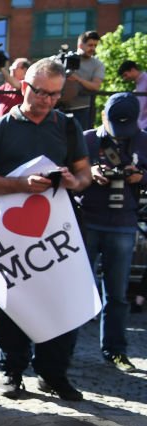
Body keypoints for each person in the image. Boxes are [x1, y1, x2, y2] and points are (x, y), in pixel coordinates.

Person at [0, 58, 92, 401]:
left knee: (61, 303)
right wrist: (21, 183)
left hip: (57, 233)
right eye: (41, 92)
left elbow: (85, 175)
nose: (47, 100)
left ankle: (53, 374)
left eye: (54, 94)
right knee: (10, 303)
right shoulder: (1, 128)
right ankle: (12, 371)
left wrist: (73, 181)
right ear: (25, 87)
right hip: (11, 234)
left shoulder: (67, 126)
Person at [77, 92, 146, 372]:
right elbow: (67, 172)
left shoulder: (143, 140)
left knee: (117, 294)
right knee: (76, 289)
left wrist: (141, 177)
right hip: (88, 220)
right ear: (103, 115)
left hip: (123, 223)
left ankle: (115, 351)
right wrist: (90, 172)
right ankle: (63, 351)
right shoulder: (88, 139)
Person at [58, 31, 104, 132]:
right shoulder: (64, 58)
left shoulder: (97, 64)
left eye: (95, 45)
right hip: (58, 108)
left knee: (81, 141)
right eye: (90, 45)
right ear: (80, 45)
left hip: (82, 110)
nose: (93, 48)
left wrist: (78, 79)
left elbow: (96, 86)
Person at [118, 60, 147, 131]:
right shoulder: (138, 83)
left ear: (133, 70)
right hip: (141, 124)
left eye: (125, 75)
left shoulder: (146, 79)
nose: (124, 78)